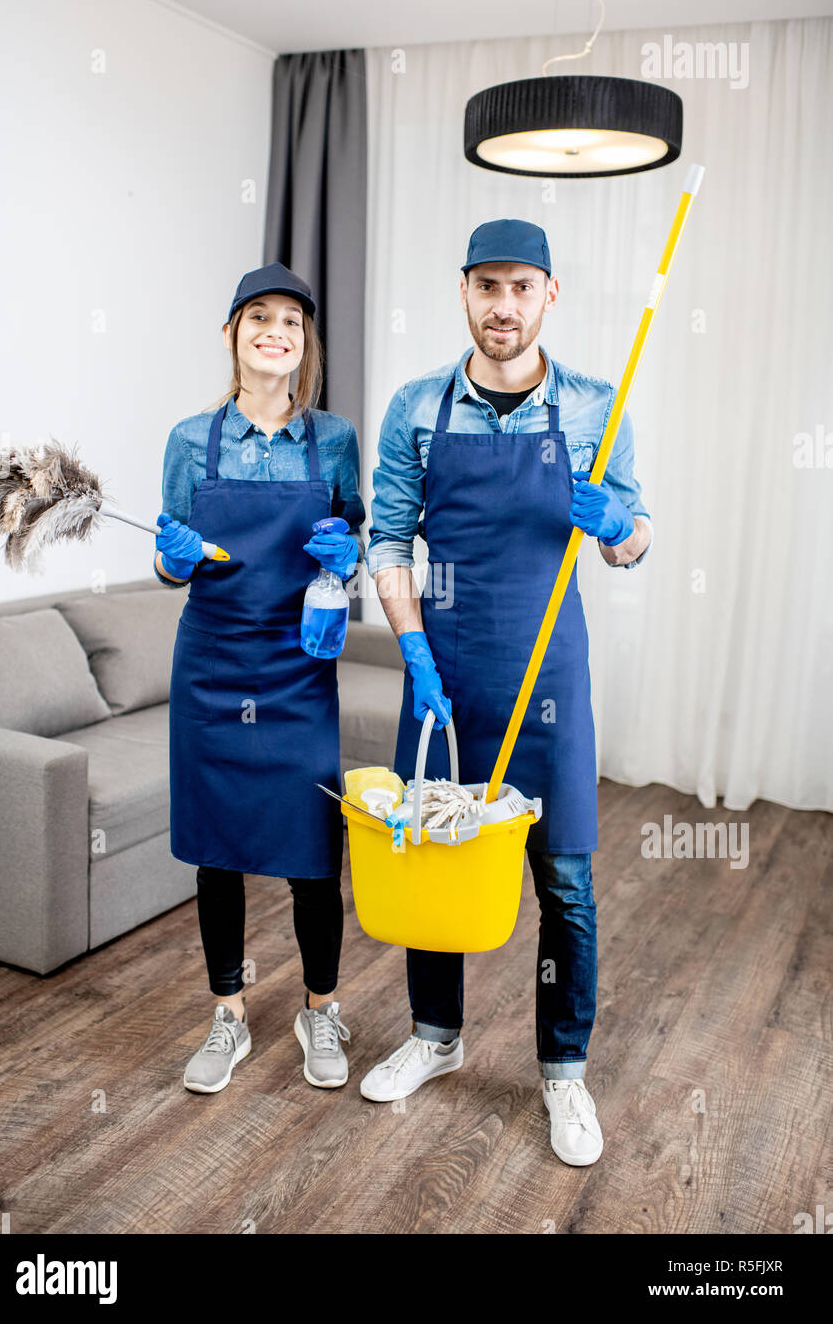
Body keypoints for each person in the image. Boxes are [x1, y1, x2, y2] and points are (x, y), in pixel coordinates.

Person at [360, 220, 652, 1165]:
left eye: (522, 287)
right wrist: (412, 649)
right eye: (487, 285)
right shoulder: (415, 408)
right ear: (463, 292)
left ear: (548, 296)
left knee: (563, 880)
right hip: (444, 675)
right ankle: (435, 1039)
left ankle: (563, 1073)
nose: (503, 304)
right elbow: (388, 543)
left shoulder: (597, 407)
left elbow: (631, 539)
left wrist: (620, 524)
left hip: (549, 677)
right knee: (431, 859)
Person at [153, 263, 364, 1094]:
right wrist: (170, 563)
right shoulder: (189, 440)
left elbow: (352, 535)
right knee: (218, 852)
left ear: (305, 340)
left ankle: (322, 1006)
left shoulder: (334, 439)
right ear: (234, 334)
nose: (276, 332)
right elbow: (173, 561)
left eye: (291, 321)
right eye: (258, 319)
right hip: (211, 665)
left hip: (297, 667)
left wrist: (345, 556)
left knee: (314, 849)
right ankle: (230, 1014)